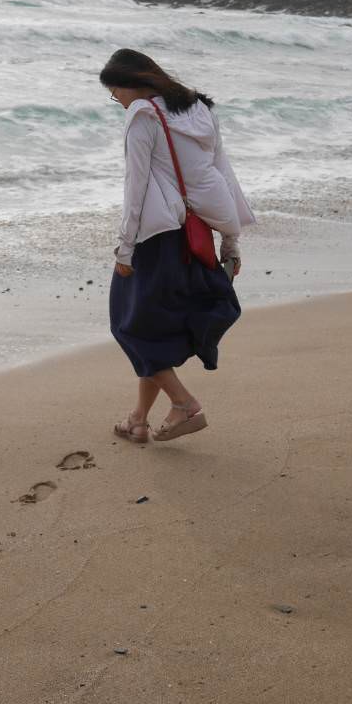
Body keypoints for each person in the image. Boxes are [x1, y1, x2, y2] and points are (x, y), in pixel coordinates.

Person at [100, 48, 256, 443]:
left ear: (130, 83)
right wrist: (231, 240)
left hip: (155, 238)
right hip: (197, 234)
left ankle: (184, 404)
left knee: (129, 325)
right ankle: (138, 419)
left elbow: (135, 188)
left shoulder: (142, 115)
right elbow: (222, 175)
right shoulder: (200, 109)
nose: (116, 100)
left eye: (114, 91)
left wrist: (125, 248)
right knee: (152, 329)